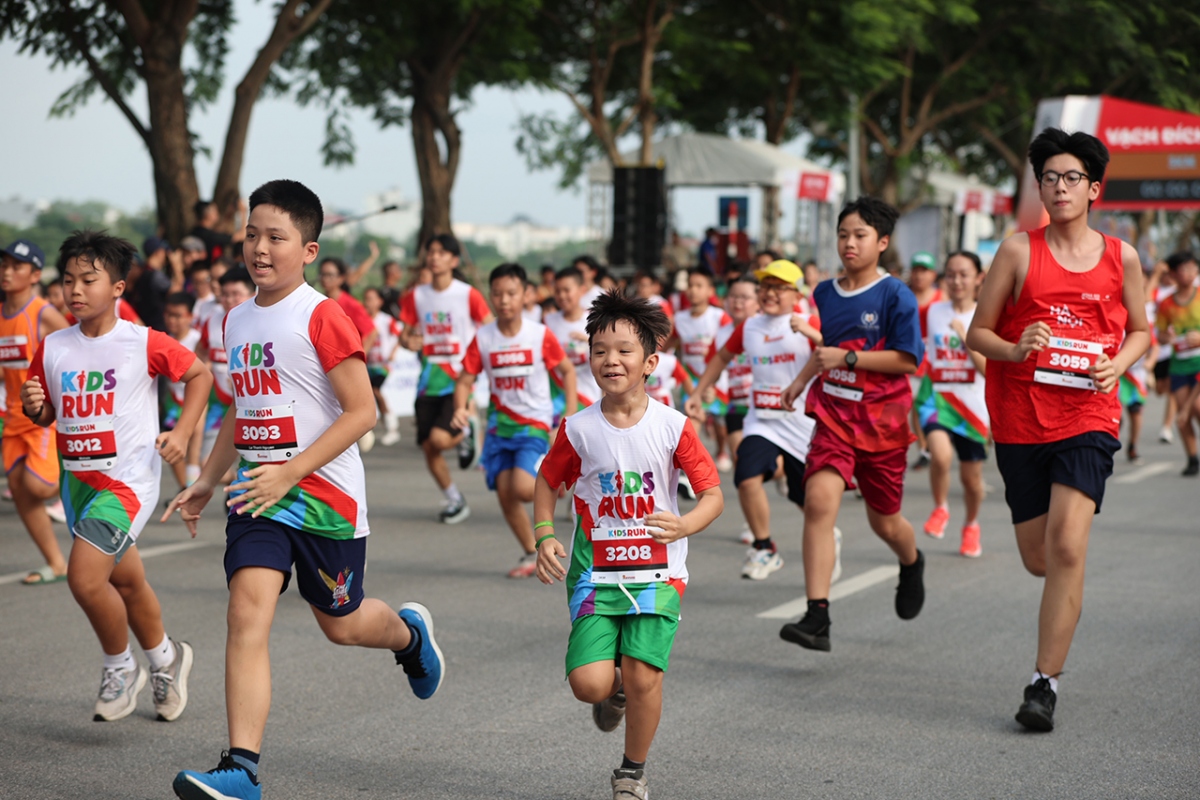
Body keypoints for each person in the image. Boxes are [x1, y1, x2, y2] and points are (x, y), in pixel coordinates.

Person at [166, 180, 444, 800]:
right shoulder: (236, 320)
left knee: (341, 624)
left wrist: (293, 470)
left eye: (276, 238)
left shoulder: (324, 315)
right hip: (257, 494)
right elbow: (242, 407)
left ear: (309, 250)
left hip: (324, 497)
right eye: (251, 234)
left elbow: (362, 411)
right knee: (246, 612)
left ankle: (409, 635)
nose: (260, 248)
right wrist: (208, 481)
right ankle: (242, 769)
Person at [967, 128, 1150, 732]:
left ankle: (1043, 684)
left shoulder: (1122, 257)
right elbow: (978, 334)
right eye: (1049, 177)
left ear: (1094, 188)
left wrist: (1117, 365)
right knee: (1040, 558)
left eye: (1072, 177)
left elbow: (1142, 332)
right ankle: (1063, 589)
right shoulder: (1019, 251)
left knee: (1069, 546)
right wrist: (1017, 348)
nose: (1060, 186)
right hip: (1021, 420)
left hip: (1088, 415)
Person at [533, 290, 723, 800]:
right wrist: (544, 533)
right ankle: (610, 692)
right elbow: (547, 482)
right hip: (596, 575)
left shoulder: (673, 426)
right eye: (599, 350)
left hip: (658, 574)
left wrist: (685, 526)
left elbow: (711, 495)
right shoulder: (577, 428)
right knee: (589, 685)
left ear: (651, 362)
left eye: (623, 351)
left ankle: (631, 772)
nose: (610, 360)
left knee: (644, 677)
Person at [22, 229, 212, 722]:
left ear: (118, 288)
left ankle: (120, 666)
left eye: (89, 279)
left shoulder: (141, 341)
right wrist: (35, 407)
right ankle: (166, 657)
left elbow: (200, 376)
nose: (76, 291)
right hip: (78, 484)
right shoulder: (53, 347)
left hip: (127, 482)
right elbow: (47, 414)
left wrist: (182, 429)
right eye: (68, 281)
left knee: (85, 580)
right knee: (125, 581)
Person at [778, 196, 927, 653]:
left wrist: (848, 357)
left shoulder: (895, 294)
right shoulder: (824, 292)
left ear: (881, 242)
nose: (849, 243)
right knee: (819, 500)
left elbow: (907, 359)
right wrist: (801, 381)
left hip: (882, 423)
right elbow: (827, 348)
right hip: (834, 417)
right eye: (843, 234)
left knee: (886, 523)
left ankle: (911, 561)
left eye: (860, 235)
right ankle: (817, 615)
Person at [688, 260, 834, 582]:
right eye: (766, 287)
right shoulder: (749, 326)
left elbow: (835, 356)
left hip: (803, 427)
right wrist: (700, 390)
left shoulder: (809, 322)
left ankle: (827, 536)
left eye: (779, 288)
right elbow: (722, 357)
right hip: (762, 421)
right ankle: (764, 547)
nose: (770, 294)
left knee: (806, 498)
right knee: (746, 475)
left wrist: (814, 334)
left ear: (796, 294)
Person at [453, 263, 576, 579]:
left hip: (532, 425)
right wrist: (461, 408)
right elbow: (465, 379)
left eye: (512, 293)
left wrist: (569, 413)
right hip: (498, 427)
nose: (504, 300)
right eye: (497, 294)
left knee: (522, 487)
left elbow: (567, 370)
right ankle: (528, 551)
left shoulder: (539, 335)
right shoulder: (484, 337)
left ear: (526, 295)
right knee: (505, 493)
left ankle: (554, 482)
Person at [399, 234, 493, 523]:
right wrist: (408, 341)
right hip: (429, 379)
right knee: (428, 445)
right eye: (431, 252)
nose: (434, 257)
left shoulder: (468, 295)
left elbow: (490, 328)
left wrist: (476, 359)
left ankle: (465, 431)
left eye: (441, 253)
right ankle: (454, 498)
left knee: (440, 439)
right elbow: (405, 332)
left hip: (458, 378)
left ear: (454, 260)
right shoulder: (416, 295)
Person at [0, 239, 70, 585]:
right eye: (4, 264)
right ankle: (56, 563)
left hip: (42, 415)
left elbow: (76, 349)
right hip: (11, 418)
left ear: (35, 274)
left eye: (17, 266)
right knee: (20, 490)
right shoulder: (1, 315)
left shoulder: (42, 312)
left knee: (38, 487)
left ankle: (75, 479)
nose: (7, 271)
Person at [915, 251, 989, 557]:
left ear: (978, 279)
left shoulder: (987, 317)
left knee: (971, 480)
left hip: (972, 406)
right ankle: (941, 508)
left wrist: (968, 337)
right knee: (940, 456)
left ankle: (971, 525)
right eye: (951, 274)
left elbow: (989, 369)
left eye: (964, 274)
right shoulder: (933, 311)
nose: (957, 281)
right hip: (936, 397)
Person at [714, 274, 759, 543]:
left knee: (764, 468)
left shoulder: (764, 328)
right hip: (736, 405)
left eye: (745, 297)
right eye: (734, 297)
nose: (738, 302)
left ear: (757, 302)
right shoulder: (722, 331)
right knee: (743, 468)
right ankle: (751, 524)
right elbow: (714, 363)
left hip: (765, 408)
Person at [198, 267, 256, 466]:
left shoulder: (260, 323)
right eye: (225, 295)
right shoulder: (213, 321)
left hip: (252, 407)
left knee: (250, 460)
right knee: (206, 461)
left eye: (236, 295)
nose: (229, 300)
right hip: (220, 404)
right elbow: (200, 351)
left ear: (252, 294)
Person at [1155, 252, 1200, 475]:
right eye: (1184, 268)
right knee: (1184, 415)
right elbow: (1160, 334)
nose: (1190, 273)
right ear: (1172, 274)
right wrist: (1167, 338)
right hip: (1180, 365)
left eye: (1193, 267)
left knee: (1198, 407)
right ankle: (1192, 458)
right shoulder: (1166, 304)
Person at [162, 292, 206, 491]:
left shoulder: (197, 341)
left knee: (199, 458)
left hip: (199, 405)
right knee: (169, 445)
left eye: (178, 315)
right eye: (169, 315)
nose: (172, 320)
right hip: (174, 404)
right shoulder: (162, 342)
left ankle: (192, 482)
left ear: (190, 316)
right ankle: (184, 488)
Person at [545, 266, 602, 417]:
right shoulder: (548, 322)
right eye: (557, 291)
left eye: (567, 290)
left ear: (581, 290)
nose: (562, 296)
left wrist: (591, 342)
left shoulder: (595, 321)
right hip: (558, 399)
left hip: (589, 399)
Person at [908, 251, 943, 470]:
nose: (920, 275)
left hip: (937, 361)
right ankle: (924, 448)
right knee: (914, 404)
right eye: (916, 270)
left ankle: (936, 440)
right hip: (911, 359)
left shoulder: (942, 298)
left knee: (932, 404)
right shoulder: (904, 296)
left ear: (933, 274)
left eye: (925, 270)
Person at [363, 286, 403, 446]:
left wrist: (393, 351)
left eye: (371, 299)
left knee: (376, 391)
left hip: (383, 365)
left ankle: (392, 427)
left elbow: (400, 335)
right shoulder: (362, 319)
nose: (368, 302)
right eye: (366, 299)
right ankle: (379, 427)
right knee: (370, 395)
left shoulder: (386, 320)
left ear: (379, 302)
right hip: (367, 365)